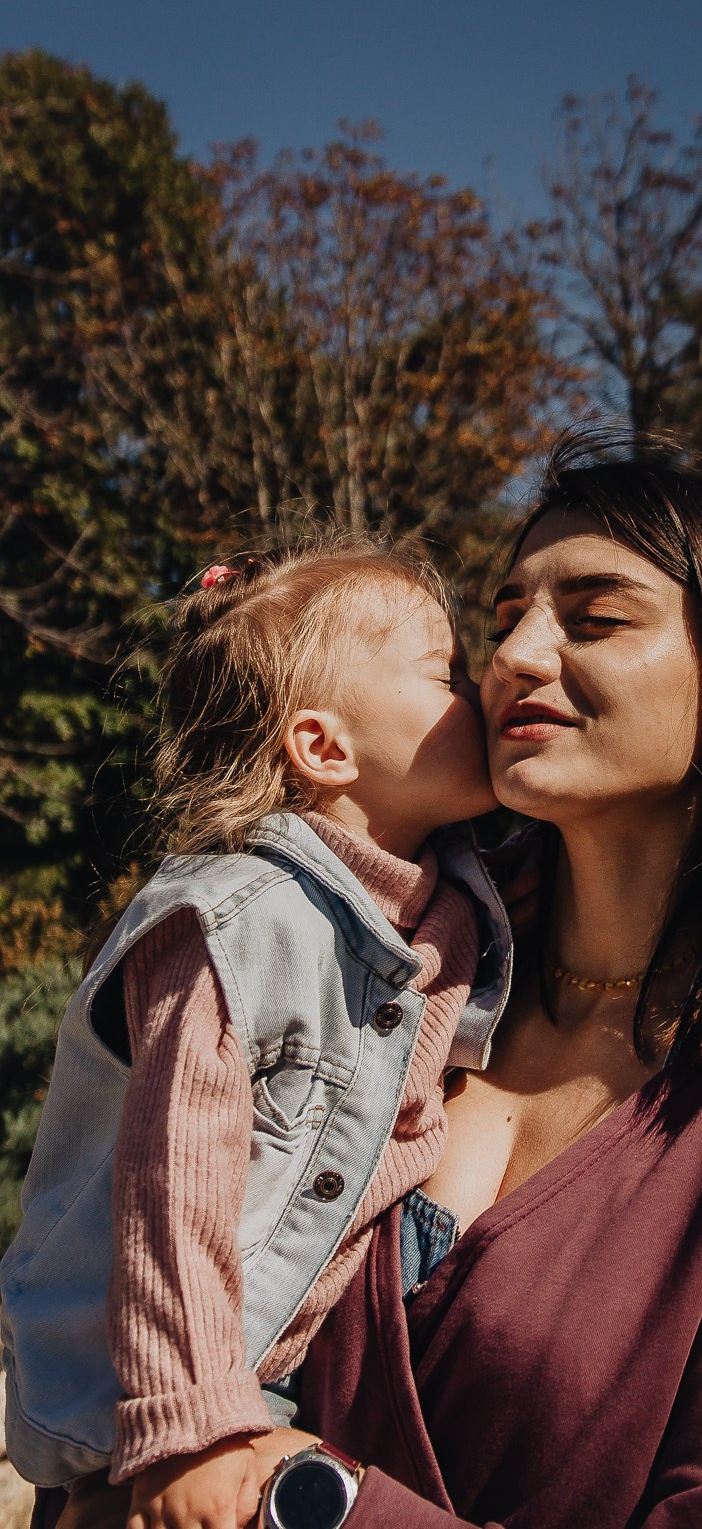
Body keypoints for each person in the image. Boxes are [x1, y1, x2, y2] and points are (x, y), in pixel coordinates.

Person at [254, 436, 702, 1529]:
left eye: (595, 618)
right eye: (504, 619)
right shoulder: (391, 997)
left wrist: (296, 1504)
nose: (516, 657)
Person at [1, 541, 510, 1529]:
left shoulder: (448, 905)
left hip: (264, 1396)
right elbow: (172, 1194)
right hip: (140, 1418)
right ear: (325, 749)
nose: (479, 689)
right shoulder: (234, 923)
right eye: (445, 676)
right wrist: (188, 1425)